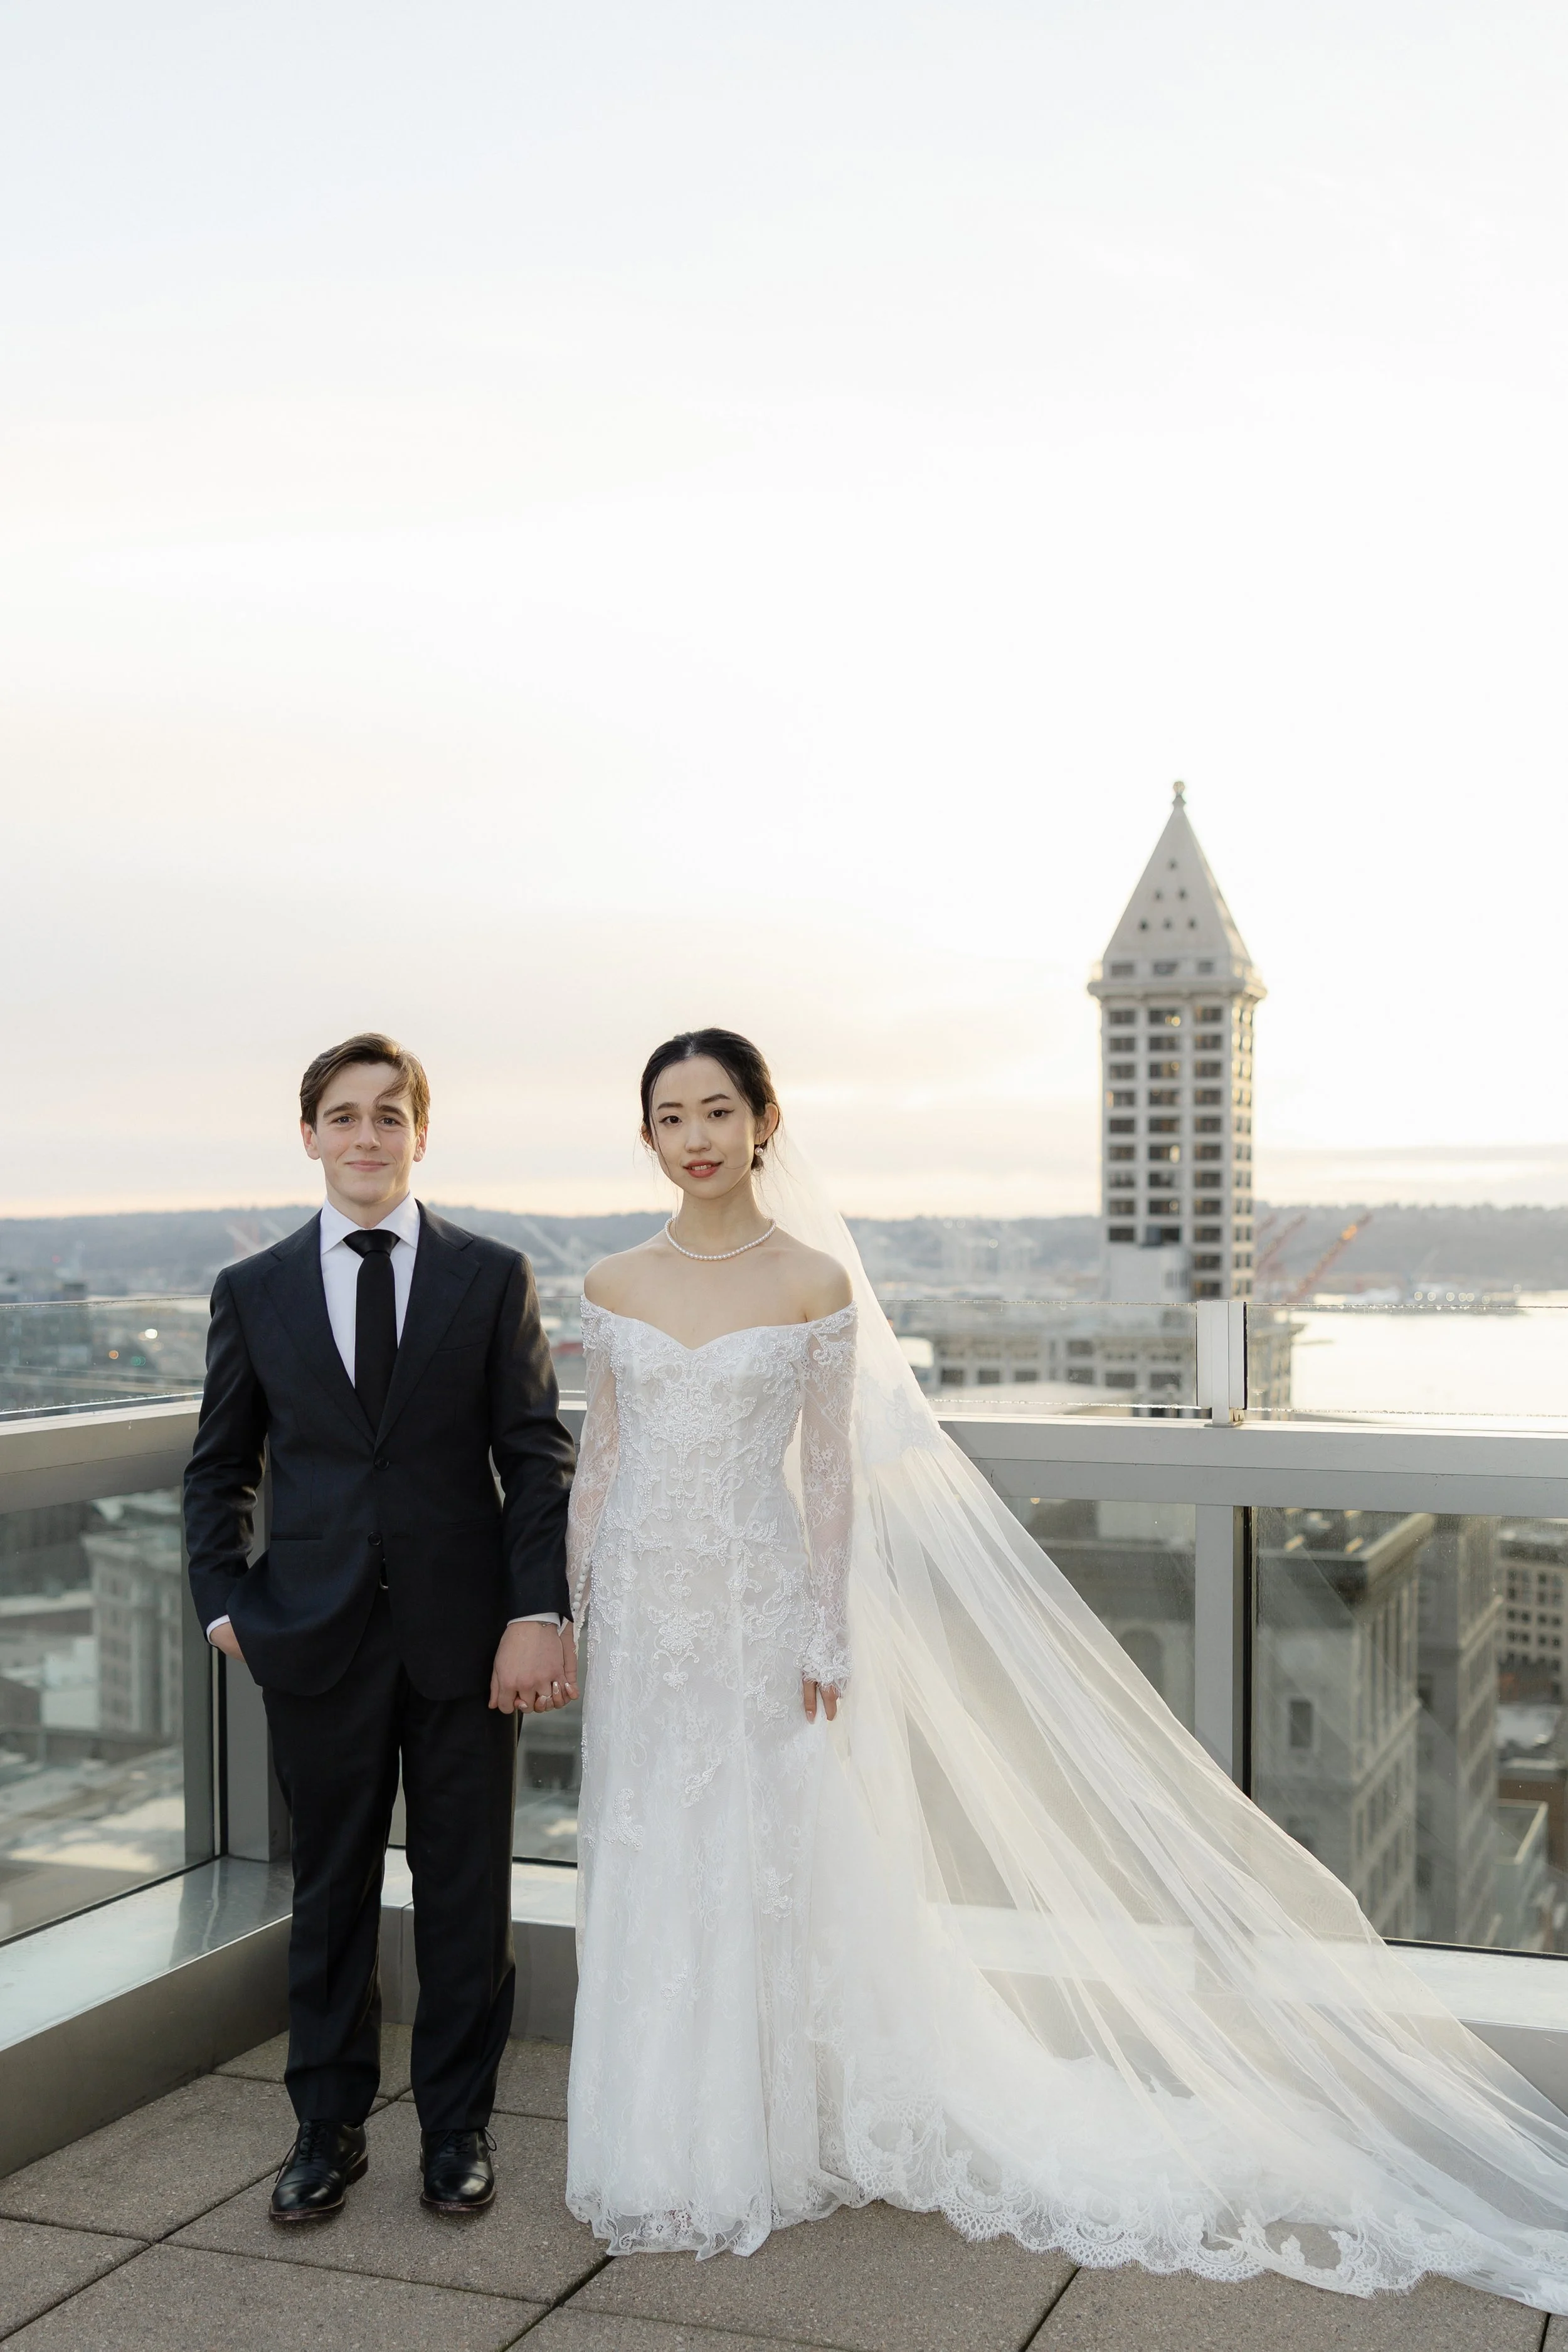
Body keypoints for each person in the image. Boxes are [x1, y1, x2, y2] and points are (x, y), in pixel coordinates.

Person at [563, 1024, 1568, 2312]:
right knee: (655, 1853)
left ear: (763, 1120)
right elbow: (599, 1468)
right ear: (645, 1136)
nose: (694, 1137)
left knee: (756, 1856)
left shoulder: (814, 1282)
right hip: (647, 1613)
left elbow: (826, 1483)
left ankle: (747, 2136)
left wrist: (824, 1627)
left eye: (715, 1109)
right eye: (668, 1117)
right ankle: (657, 2137)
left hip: (761, 1610)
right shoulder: (609, 1281)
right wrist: (578, 1610)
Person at [184, 1032, 577, 2222]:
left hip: (468, 1642)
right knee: (332, 1894)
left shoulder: (491, 1273)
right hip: (311, 1638)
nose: (367, 1136)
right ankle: (327, 2126)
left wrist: (535, 1612)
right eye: (344, 1116)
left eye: (389, 1116)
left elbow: (534, 1458)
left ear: (420, 1132)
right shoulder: (252, 1290)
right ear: (309, 1135)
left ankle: (456, 2128)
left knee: (468, 1897)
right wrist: (224, 1603)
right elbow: (218, 1468)